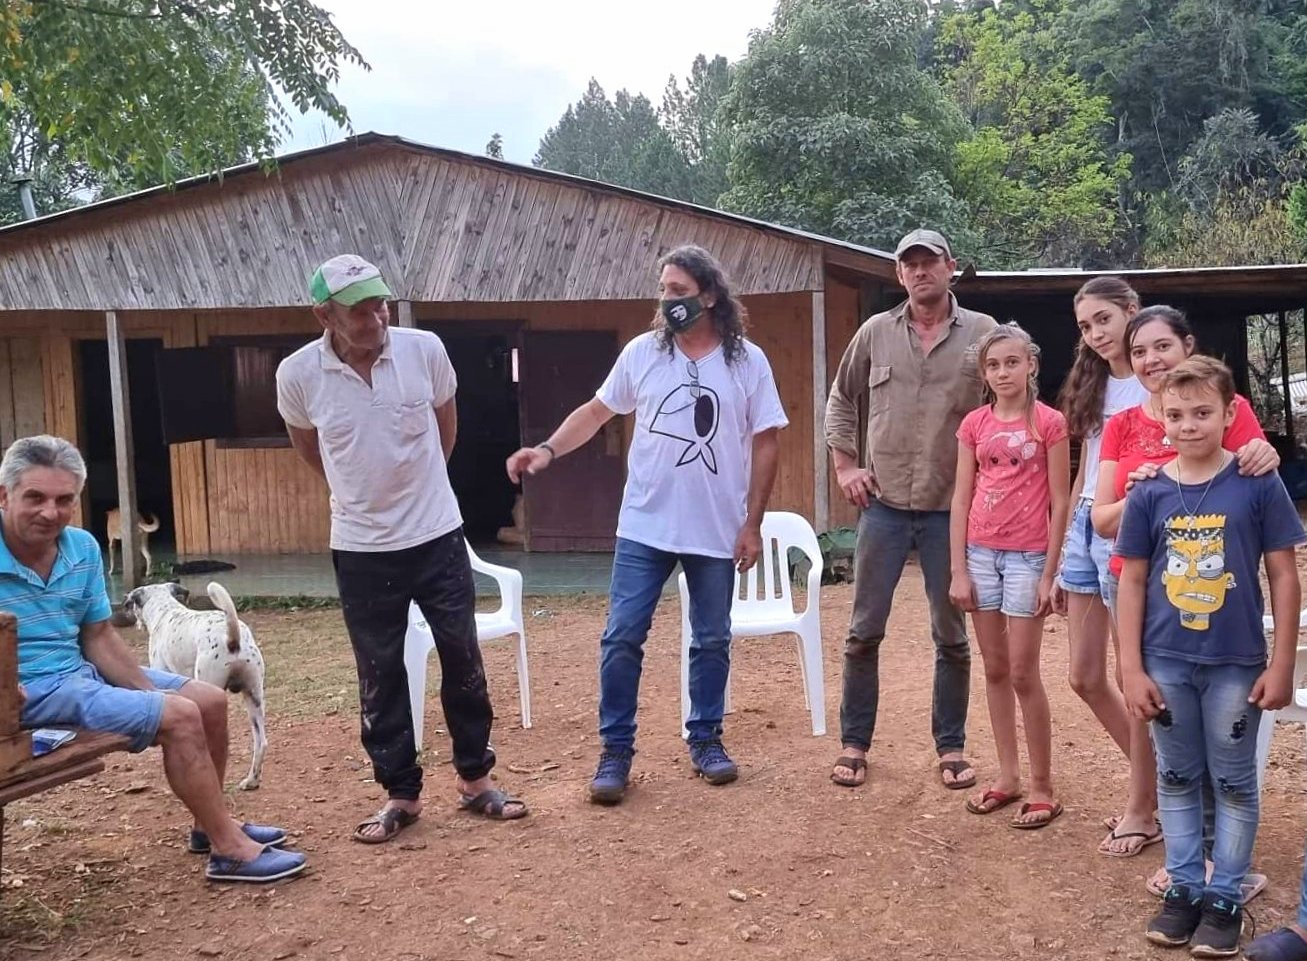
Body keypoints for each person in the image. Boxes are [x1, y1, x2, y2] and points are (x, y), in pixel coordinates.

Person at [505, 244, 786, 804]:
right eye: (663, 290)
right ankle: (615, 752)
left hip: (714, 529)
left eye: (678, 292)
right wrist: (546, 450)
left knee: (711, 640)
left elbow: (767, 441)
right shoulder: (642, 354)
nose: (667, 301)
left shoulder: (746, 361)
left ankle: (705, 739)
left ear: (709, 296)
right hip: (644, 526)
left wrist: (752, 524)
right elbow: (596, 412)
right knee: (622, 637)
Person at [276, 254, 527, 843]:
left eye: (380, 304)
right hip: (361, 548)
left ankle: (474, 779)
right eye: (360, 311)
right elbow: (310, 449)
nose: (376, 318)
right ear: (325, 316)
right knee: (380, 671)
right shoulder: (297, 375)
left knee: (463, 659)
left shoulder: (424, 350)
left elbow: (447, 429)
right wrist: (362, 497)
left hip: (437, 534)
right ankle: (401, 793)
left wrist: (419, 493)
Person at [7, 435, 306, 884]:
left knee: (207, 702)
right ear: (3, 495)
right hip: (23, 693)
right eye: (35, 498)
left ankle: (209, 826)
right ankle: (230, 851)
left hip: (78, 674)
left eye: (64, 500)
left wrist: (149, 696)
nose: (51, 512)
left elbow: (99, 636)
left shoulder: (83, 548)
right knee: (181, 716)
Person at [1116, 356, 1303, 957]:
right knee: (1175, 775)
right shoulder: (1146, 492)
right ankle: (1184, 889)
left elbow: (1283, 572)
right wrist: (1129, 665)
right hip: (1165, 659)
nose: (1189, 425)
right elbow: (1133, 581)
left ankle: (1225, 895)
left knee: (1233, 778)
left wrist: (1281, 662)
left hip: (1235, 663)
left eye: (1202, 413)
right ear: (1160, 417)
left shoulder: (1256, 484)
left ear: (1230, 414)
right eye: (1176, 414)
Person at [1092, 305, 1279, 888]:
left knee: (1215, 729)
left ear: (1186, 346)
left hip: (1215, 593)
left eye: (1161, 347)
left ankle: (1216, 865)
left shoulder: (1229, 406)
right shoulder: (1122, 424)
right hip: (1138, 582)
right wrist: (1145, 490)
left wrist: (1265, 452)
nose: (1151, 360)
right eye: (1140, 351)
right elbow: (1101, 518)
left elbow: (1253, 467)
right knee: (1165, 719)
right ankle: (1184, 849)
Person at [825, 228, 997, 790]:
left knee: (950, 633)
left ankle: (951, 747)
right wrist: (846, 467)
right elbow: (840, 399)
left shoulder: (983, 335)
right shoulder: (875, 333)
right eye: (910, 265)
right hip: (885, 506)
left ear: (951, 268)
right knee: (863, 630)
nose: (921, 272)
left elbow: (1012, 405)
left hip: (953, 510)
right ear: (900, 275)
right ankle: (854, 744)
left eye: (931, 262)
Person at [948, 325, 1070, 828]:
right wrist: (958, 568)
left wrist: (1050, 572)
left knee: (1023, 672)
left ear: (1031, 365)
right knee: (994, 669)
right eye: (994, 365)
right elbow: (960, 497)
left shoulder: (1050, 424)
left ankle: (1042, 786)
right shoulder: (973, 425)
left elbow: (1061, 500)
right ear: (984, 372)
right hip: (980, 555)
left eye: (1012, 363)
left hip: (1027, 558)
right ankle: (1007, 776)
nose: (1004, 373)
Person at [1051, 277, 1153, 852]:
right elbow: (1085, 464)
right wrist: (1064, 544)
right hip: (1086, 526)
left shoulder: (1154, 383)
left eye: (1103, 320)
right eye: (1086, 327)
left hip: (1129, 526)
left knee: (1128, 674)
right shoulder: (1091, 385)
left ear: (1131, 312)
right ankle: (1162, 787)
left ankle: (1143, 805)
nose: (1095, 335)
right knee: (1084, 676)